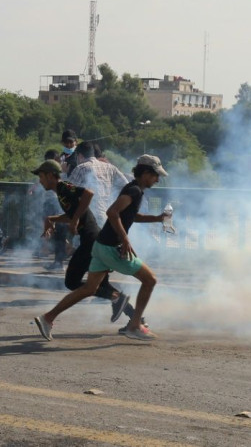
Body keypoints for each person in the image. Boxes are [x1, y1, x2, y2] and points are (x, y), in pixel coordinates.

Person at [35, 155, 169, 342]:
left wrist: (156, 218)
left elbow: (130, 215)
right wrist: (125, 239)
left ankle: (47, 318)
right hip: (110, 247)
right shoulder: (135, 191)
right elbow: (112, 212)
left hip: (100, 245)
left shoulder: (132, 189)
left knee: (89, 288)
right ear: (146, 173)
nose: (157, 179)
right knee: (150, 280)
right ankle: (135, 325)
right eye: (156, 175)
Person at [31, 159, 135, 327]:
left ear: (51, 176)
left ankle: (118, 299)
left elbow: (88, 193)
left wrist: (76, 219)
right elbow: (73, 215)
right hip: (93, 240)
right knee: (103, 285)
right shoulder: (61, 192)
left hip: (90, 242)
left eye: (41, 176)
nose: (40, 180)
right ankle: (136, 319)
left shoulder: (64, 187)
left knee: (72, 281)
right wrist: (52, 219)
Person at [68, 141, 128, 228]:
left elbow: (67, 193)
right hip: (108, 219)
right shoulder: (110, 167)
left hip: (88, 221)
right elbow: (126, 186)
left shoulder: (81, 168)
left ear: (80, 156)